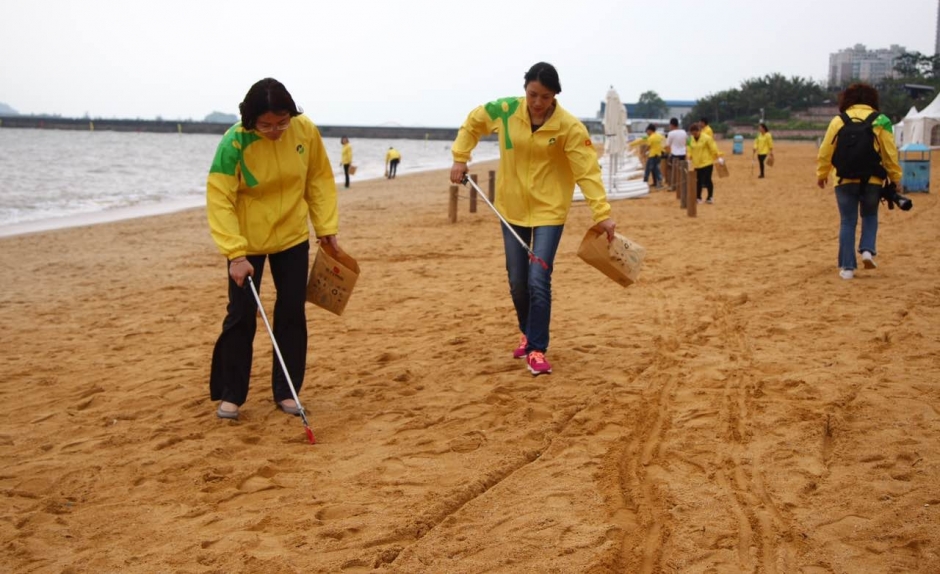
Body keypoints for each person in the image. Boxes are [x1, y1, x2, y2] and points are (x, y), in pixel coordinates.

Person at [449, 62, 617, 376]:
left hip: (549, 213)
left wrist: (602, 214)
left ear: (555, 96)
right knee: (517, 281)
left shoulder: (569, 127)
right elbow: (473, 122)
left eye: (545, 96)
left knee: (538, 279)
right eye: (533, 94)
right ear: (525, 88)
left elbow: (587, 172)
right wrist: (460, 157)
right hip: (510, 208)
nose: (538, 102)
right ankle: (527, 332)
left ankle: (537, 349)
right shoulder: (505, 110)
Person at [206, 78, 340, 420]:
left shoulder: (305, 130)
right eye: (265, 125)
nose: (275, 130)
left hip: (292, 235)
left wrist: (326, 228)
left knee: (292, 312)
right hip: (246, 241)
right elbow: (219, 198)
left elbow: (318, 179)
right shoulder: (234, 141)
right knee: (241, 316)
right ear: (250, 121)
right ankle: (232, 394)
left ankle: (288, 390)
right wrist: (235, 253)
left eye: (282, 122)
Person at [816, 82, 901, 280]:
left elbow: (826, 151)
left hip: (844, 179)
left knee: (847, 221)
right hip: (872, 179)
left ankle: (847, 268)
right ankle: (867, 251)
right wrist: (895, 178)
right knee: (870, 215)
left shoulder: (838, 120)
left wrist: (822, 174)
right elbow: (890, 154)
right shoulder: (881, 120)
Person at [687, 122, 720, 204]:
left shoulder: (707, 138)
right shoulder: (690, 139)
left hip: (707, 163)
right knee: (698, 181)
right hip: (697, 164)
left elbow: (713, 148)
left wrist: (718, 157)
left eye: (696, 132)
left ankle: (710, 197)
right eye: (693, 133)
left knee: (707, 180)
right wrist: (689, 157)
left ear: (699, 131)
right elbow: (689, 149)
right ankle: (698, 197)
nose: (695, 134)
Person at [630, 123, 664, 188]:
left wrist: (643, 153)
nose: (647, 133)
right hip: (658, 155)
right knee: (655, 169)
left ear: (650, 130)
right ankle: (657, 182)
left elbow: (648, 146)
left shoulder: (651, 138)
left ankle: (645, 181)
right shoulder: (659, 136)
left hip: (652, 155)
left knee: (648, 169)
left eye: (647, 131)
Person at [664, 118, 688, 187]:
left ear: (671, 125)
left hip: (675, 154)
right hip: (683, 153)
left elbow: (667, 145)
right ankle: (683, 184)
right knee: (683, 170)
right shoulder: (684, 132)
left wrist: (667, 153)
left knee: (672, 170)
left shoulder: (671, 133)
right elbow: (686, 142)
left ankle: (673, 185)